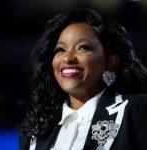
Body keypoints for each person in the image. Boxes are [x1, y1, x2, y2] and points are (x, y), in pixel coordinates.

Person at [20, 7, 147, 150]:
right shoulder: (35, 131)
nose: (68, 58)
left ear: (110, 61)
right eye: (60, 50)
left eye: (83, 47)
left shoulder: (136, 110)